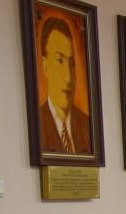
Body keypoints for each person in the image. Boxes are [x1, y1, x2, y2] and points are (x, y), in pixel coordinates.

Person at [37, 16, 91, 155]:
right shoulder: (37, 123)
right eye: (59, 61)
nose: (68, 77)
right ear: (45, 66)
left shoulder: (87, 125)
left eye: (71, 64)